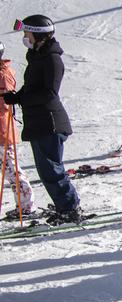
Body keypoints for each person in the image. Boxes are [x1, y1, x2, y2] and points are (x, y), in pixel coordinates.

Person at [1, 15, 80, 225]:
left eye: (27, 33)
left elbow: (49, 93)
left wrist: (22, 98)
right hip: (39, 123)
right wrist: (17, 97)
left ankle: (70, 208)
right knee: (47, 170)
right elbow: (33, 87)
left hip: (50, 122)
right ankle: (64, 205)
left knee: (52, 169)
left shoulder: (52, 60)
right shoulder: (37, 57)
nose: (25, 37)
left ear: (37, 34)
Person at [0, 41, 34, 219]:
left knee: (11, 169)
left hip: (2, 131)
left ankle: (26, 205)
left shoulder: (3, 75)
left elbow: (6, 103)